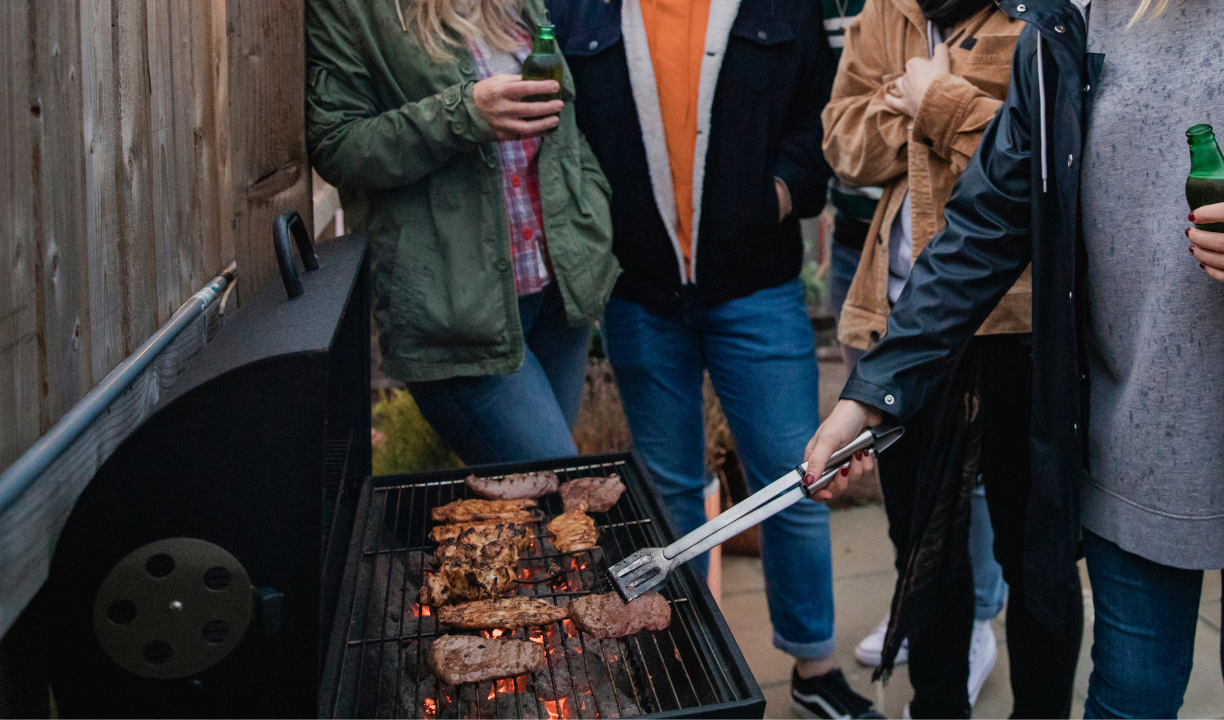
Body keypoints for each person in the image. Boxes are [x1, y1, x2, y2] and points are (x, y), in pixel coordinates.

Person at [807, 0, 1224, 717]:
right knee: (1127, 696)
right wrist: (870, 394)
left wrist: (932, 100)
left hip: (1032, 341)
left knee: (1037, 581)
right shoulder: (1069, 22)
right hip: (1136, 450)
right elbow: (988, 214)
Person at [546, 0, 881, 716]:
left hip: (756, 287)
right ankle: (689, 667)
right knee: (671, 493)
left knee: (795, 480)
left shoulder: (782, 6)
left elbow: (820, 114)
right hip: (639, 294)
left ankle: (814, 670)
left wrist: (778, 195)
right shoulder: (578, 12)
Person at [820, 0, 1030, 713]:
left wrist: (936, 100)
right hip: (900, 320)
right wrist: (910, 101)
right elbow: (843, 146)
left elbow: (1044, 167)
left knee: (1028, 547)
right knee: (919, 538)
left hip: (1013, 323)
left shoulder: (1039, 16)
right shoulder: (885, 13)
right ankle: (938, 698)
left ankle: (996, 649)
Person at [305, 0, 620, 464]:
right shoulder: (353, 9)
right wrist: (462, 115)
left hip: (558, 293)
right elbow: (337, 145)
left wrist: (590, 203)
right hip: (457, 313)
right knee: (556, 485)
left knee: (537, 507)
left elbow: (562, 118)